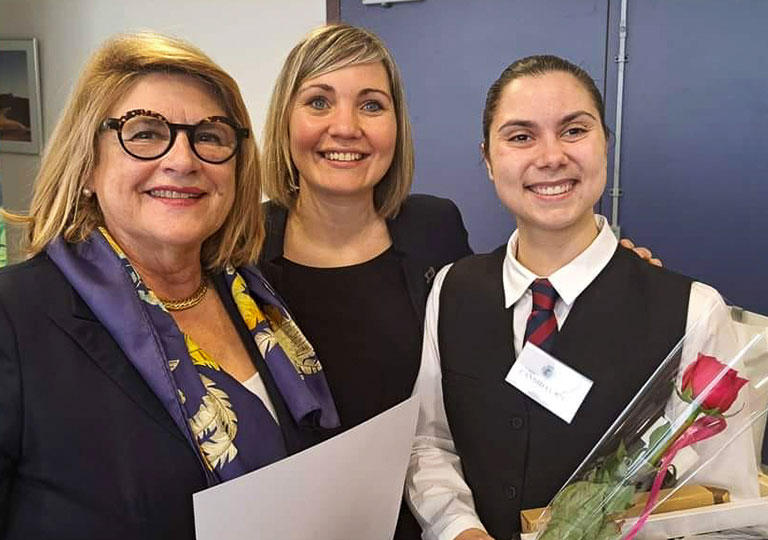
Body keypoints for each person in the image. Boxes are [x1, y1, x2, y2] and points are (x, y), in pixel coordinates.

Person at [405, 55, 760, 540]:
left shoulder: (694, 311)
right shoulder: (452, 289)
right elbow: (430, 445)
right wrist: (460, 529)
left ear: (604, 146)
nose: (551, 156)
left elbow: (726, 510)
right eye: (521, 136)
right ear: (488, 159)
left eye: (573, 131)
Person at [0, 32, 338, 540]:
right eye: (144, 133)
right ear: (87, 164)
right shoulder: (14, 316)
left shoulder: (254, 296)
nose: (183, 160)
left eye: (210, 136)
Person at [258, 24, 473, 538]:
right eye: (318, 101)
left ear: (396, 126)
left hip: (434, 522)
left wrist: (592, 271)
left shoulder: (434, 228)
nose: (346, 127)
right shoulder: (240, 248)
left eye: (371, 105)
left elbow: (499, 327)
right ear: (285, 122)